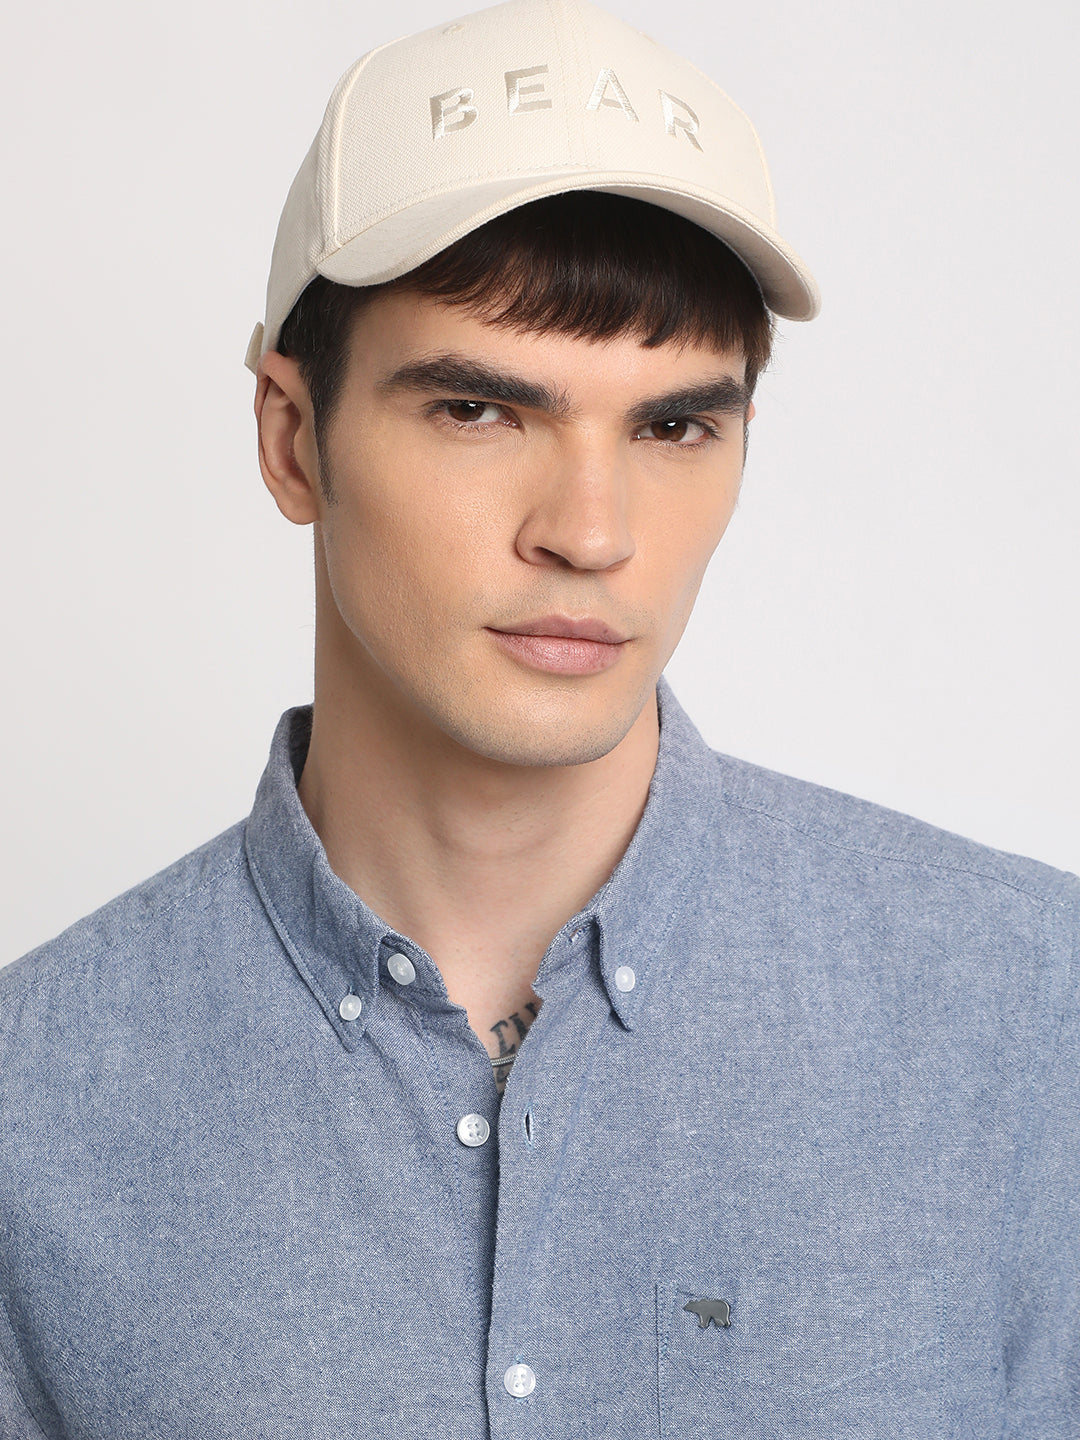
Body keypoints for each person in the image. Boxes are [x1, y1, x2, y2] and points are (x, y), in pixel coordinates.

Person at [1, 0, 1076, 1434]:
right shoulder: (32, 1108)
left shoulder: (1031, 1017)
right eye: (480, 411)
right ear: (291, 436)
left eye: (673, 426)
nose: (591, 531)